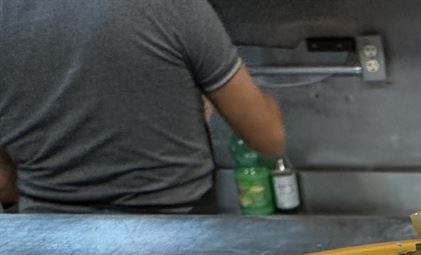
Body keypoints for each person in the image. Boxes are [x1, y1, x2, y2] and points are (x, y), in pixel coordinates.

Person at [0, 0, 285, 213]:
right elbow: (268, 137)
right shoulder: (175, 6)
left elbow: (4, 184)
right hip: (180, 236)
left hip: (49, 240)